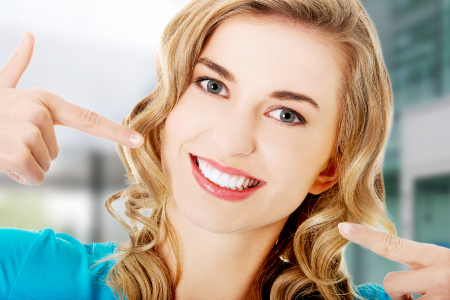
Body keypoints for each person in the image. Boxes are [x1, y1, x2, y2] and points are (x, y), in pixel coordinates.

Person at [3, 0, 450, 299]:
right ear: (170, 103)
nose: (232, 141)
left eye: (286, 114)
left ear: (330, 166)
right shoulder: (25, 271)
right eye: (213, 85)